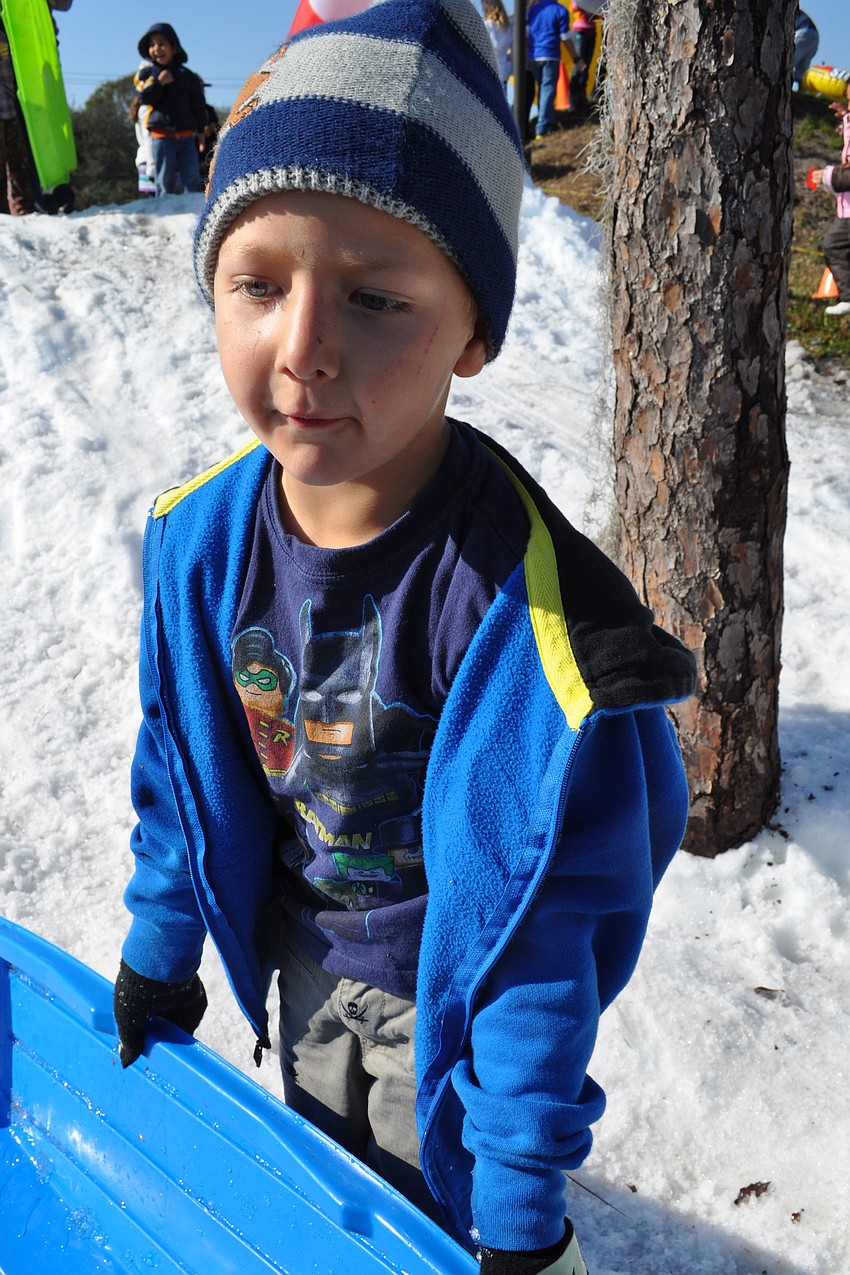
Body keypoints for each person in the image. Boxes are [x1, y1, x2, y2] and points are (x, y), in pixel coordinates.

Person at [111, 1, 696, 1272]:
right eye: (258, 284)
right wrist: (161, 950)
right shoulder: (202, 545)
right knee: (334, 1210)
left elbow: (552, 923)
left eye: (377, 298)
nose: (305, 349)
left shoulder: (532, 626)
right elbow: (180, 770)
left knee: (443, 1225)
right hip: (302, 966)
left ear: (472, 330)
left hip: (461, 1006)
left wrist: (524, 1211)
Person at [134, 22, 207, 196]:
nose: (156, 49)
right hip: (161, 136)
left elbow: (198, 105)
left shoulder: (187, 76)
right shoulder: (146, 74)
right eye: (152, 45)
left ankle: (193, 216)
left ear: (174, 48)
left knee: (192, 179)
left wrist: (201, 132)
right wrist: (159, 83)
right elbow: (144, 98)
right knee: (164, 181)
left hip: (187, 136)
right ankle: (164, 215)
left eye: (161, 44)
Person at [809, 81, 850, 317]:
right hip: (845, 210)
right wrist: (845, 119)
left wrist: (826, 176)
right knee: (836, 246)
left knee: (834, 245)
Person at [526, 0, 575, 139]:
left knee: (543, 88)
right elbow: (565, 37)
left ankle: (547, 118)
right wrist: (576, 57)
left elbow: (526, 33)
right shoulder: (560, 10)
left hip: (534, 56)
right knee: (548, 88)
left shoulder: (534, 9)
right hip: (550, 55)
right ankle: (543, 127)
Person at [567, 5, 597, 115]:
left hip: (592, 31)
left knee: (586, 66)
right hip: (580, 31)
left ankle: (581, 98)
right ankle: (573, 100)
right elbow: (575, 6)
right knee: (579, 65)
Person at [483, 0, 512, 93]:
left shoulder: (488, 25)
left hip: (490, 71)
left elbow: (494, 45)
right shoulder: (508, 27)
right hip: (503, 71)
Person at [793, 7, 819, 88]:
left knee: (787, 63)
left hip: (803, 33)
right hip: (814, 34)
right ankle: (802, 94)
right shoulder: (793, 8)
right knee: (802, 74)